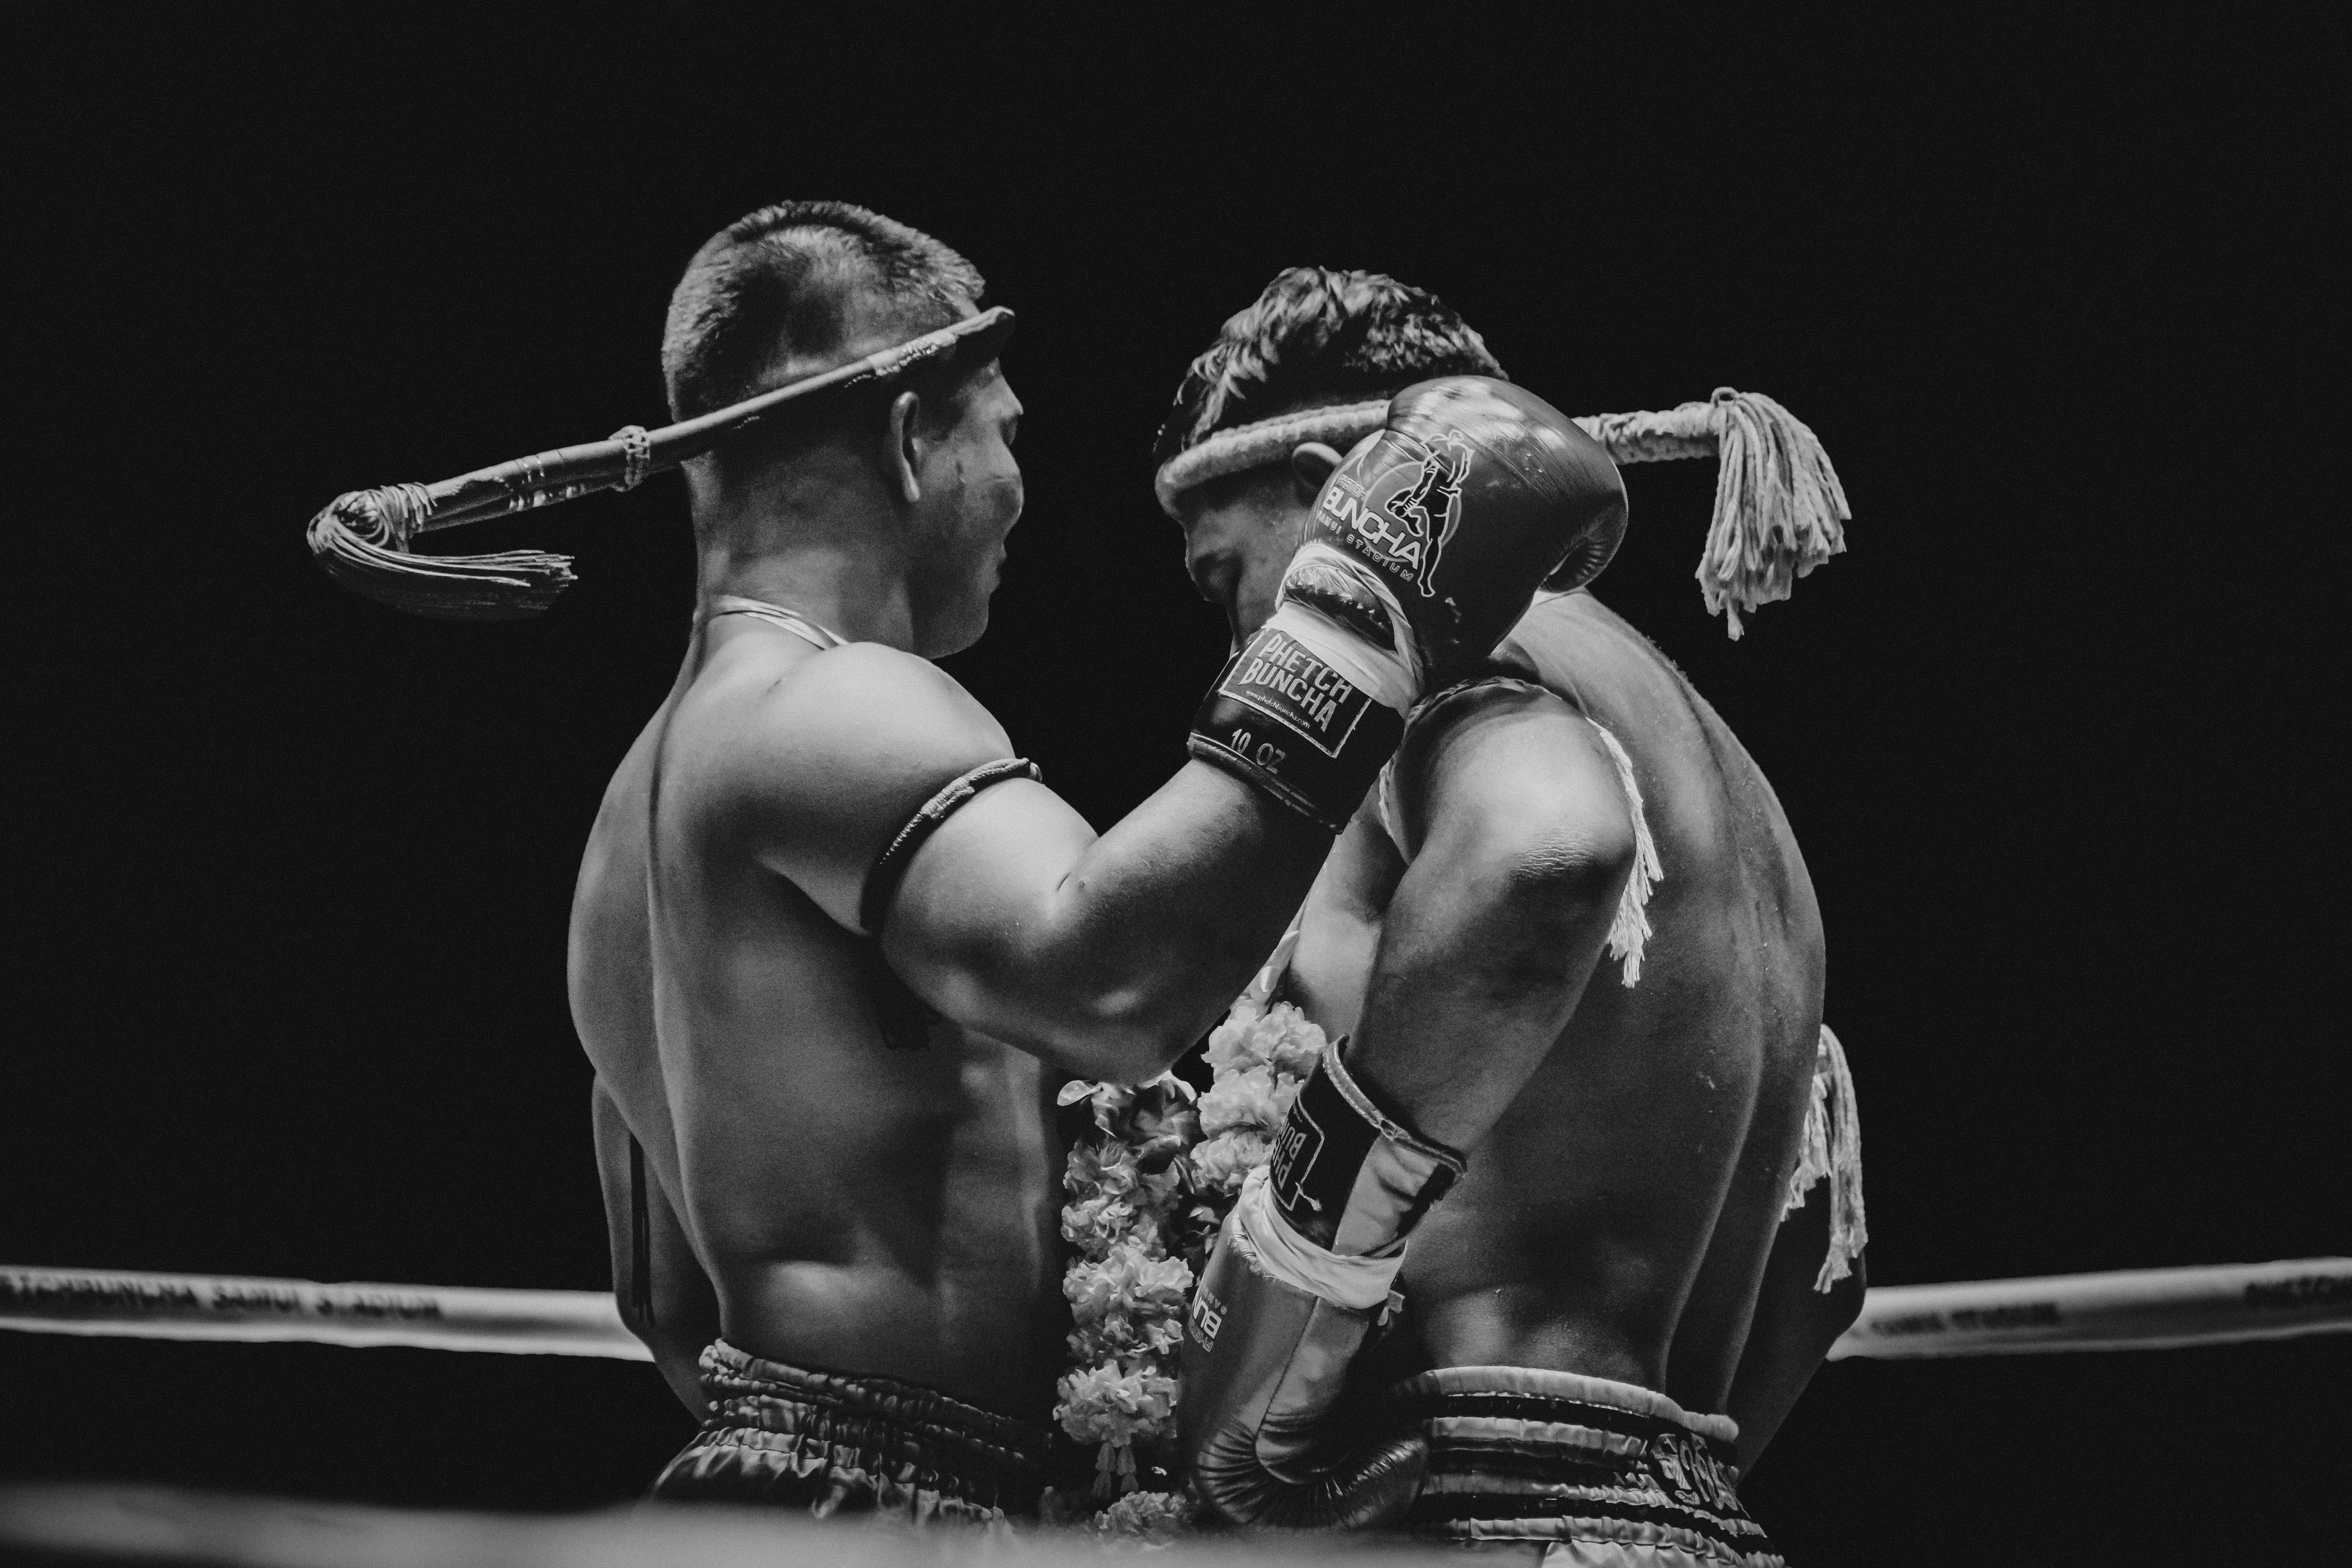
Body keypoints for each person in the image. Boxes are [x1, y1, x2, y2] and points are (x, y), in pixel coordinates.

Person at [567, 210, 1616, 1524]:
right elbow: (1111, 988)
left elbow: (666, 1304)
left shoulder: (632, 817)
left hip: (765, 1484)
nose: (1017, 493)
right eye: (1004, 436)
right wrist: (1363, 622)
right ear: (910, 439)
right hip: (890, 1515)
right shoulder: (838, 709)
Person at [1162, 269, 1865, 1564]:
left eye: (1226, 584)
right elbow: (1825, 1265)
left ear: (1341, 487)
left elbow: (1543, 860)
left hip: (1473, 1514)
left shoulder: (1457, 672)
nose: (1231, 644)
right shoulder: (1725, 774)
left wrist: (1280, 1300)